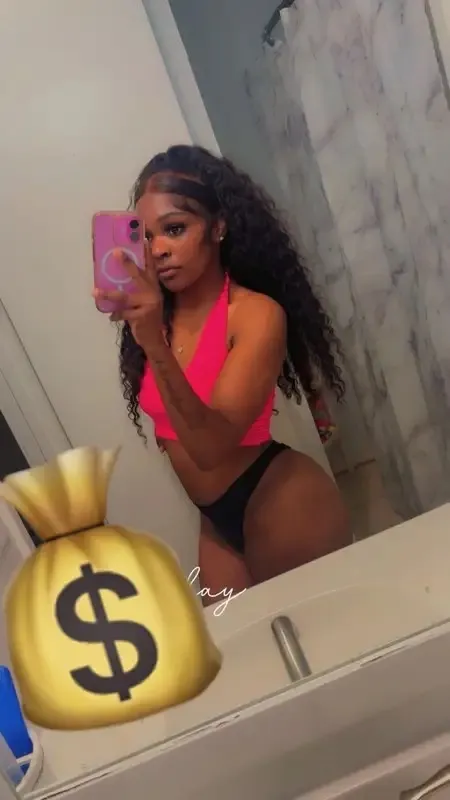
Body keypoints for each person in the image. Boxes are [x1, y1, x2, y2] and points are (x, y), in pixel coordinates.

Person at [93, 145, 351, 602]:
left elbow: (211, 448)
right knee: (236, 641)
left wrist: (152, 340)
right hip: (214, 518)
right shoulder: (158, 315)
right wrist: (146, 328)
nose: (159, 250)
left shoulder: (254, 315)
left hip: (282, 502)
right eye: (146, 237)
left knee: (326, 638)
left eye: (175, 229)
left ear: (218, 226)